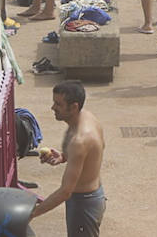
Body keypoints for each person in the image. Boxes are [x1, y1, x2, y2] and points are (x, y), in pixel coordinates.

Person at [31, 80, 106, 235]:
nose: (53, 108)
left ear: (74, 107)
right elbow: (93, 151)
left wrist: (32, 214)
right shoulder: (87, 117)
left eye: (58, 104)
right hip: (88, 198)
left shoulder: (79, 141)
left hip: (84, 204)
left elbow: (65, 192)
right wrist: (64, 157)